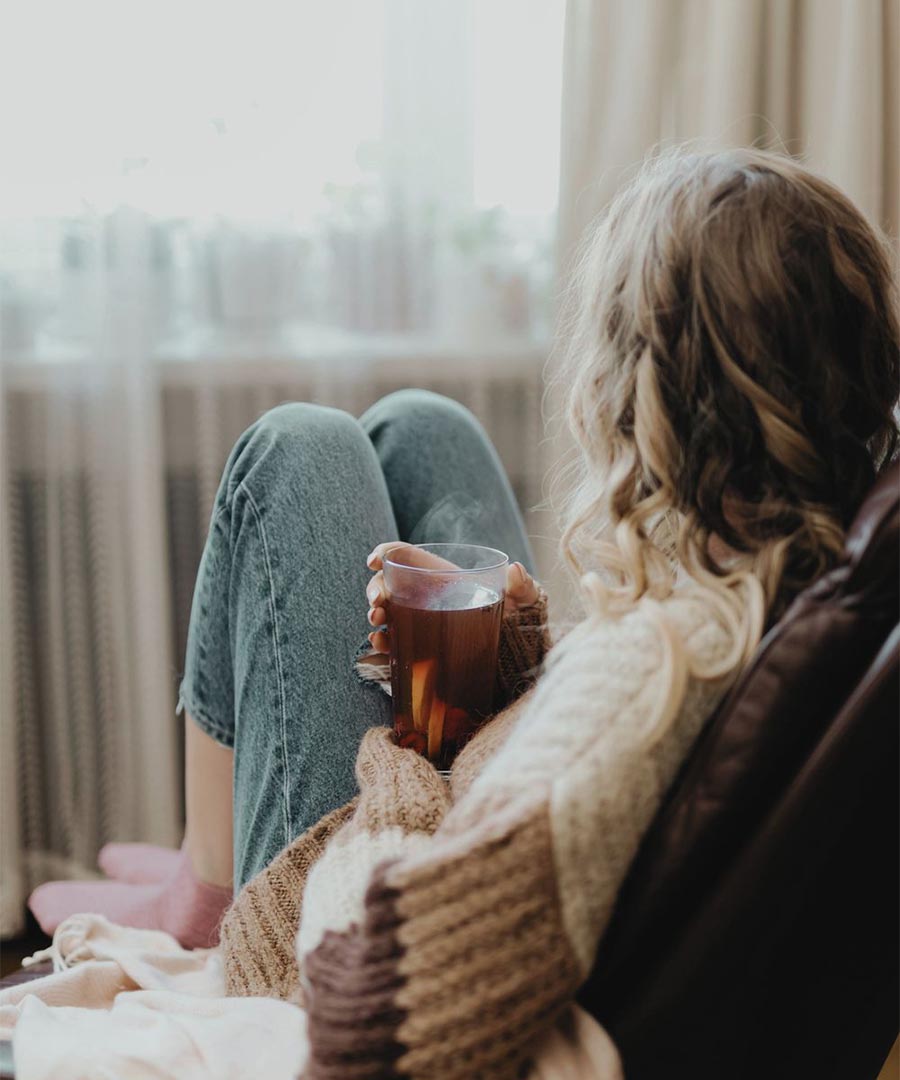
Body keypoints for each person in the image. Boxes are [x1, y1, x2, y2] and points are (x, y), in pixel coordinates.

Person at [29, 148, 899, 1077]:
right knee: (423, 423)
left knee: (294, 450)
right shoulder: (789, 584)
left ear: (639, 398)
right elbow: (605, 754)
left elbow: (381, 999)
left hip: (329, 929)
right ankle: (198, 865)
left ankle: (204, 889)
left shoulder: (638, 675)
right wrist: (531, 658)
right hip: (471, 805)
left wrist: (403, 765)